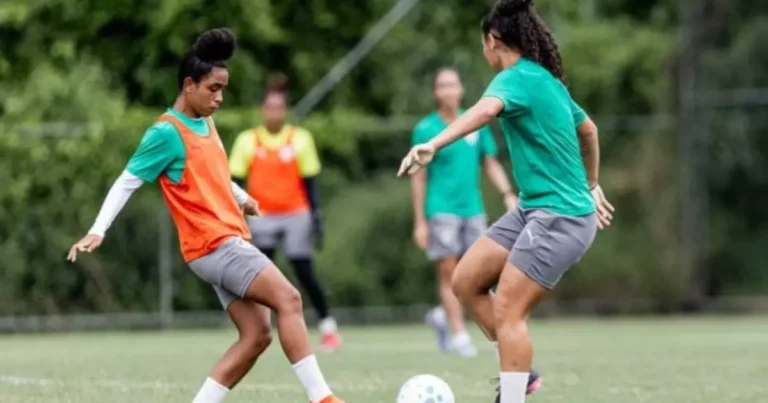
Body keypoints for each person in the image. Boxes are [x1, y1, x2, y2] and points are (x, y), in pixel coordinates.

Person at [66, 28, 345, 403]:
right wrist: (98, 229)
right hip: (215, 243)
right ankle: (323, 399)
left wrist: (242, 197)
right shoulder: (166, 132)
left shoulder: (206, 122)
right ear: (188, 85)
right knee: (290, 300)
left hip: (220, 243)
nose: (219, 97)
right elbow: (126, 181)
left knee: (257, 334)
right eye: (213, 88)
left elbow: (215, 174)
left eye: (223, 89)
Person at [397, 0, 615, 402]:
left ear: (493, 41)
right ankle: (522, 371)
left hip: (561, 216)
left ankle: (513, 393)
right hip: (535, 209)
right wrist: (592, 182)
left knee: (509, 308)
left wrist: (434, 144)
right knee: (465, 280)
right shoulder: (547, 80)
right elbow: (590, 131)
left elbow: (483, 112)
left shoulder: (514, 79)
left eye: (483, 45)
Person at [228, 75, 342, 352]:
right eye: (269, 107)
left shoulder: (300, 139)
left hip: (295, 214)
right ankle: (259, 329)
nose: (274, 112)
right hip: (261, 216)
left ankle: (327, 326)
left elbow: (311, 182)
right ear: (262, 111)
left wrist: (316, 216)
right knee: (259, 273)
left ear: (286, 111)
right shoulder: (247, 141)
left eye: (279, 108)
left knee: (303, 270)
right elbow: (233, 183)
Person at [412, 67, 517, 358]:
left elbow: (491, 163)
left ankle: (447, 319)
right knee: (449, 273)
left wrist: (508, 194)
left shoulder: (475, 122)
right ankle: (458, 334)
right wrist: (420, 221)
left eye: (453, 85)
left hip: (473, 208)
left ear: (460, 89)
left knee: (479, 274)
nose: (448, 90)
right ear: (436, 92)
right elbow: (418, 178)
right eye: (442, 85)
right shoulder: (425, 129)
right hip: (440, 209)